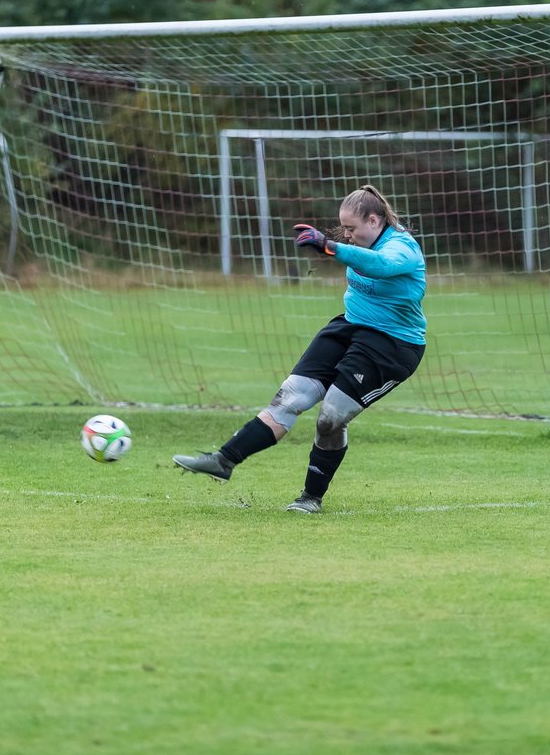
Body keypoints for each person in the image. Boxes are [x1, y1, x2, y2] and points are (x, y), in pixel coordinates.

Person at [172, 184, 426, 513]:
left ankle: (311, 497)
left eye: (352, 229)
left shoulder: (403, 247)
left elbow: (379, 265)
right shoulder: (363, 239)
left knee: (330, 417)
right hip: (349, 326)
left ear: (375, 221)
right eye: (343, 229)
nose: (347, 235)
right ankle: (223, 460)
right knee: (290, 397)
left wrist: (329, 246)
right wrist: (332, 245)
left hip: (391, 344)